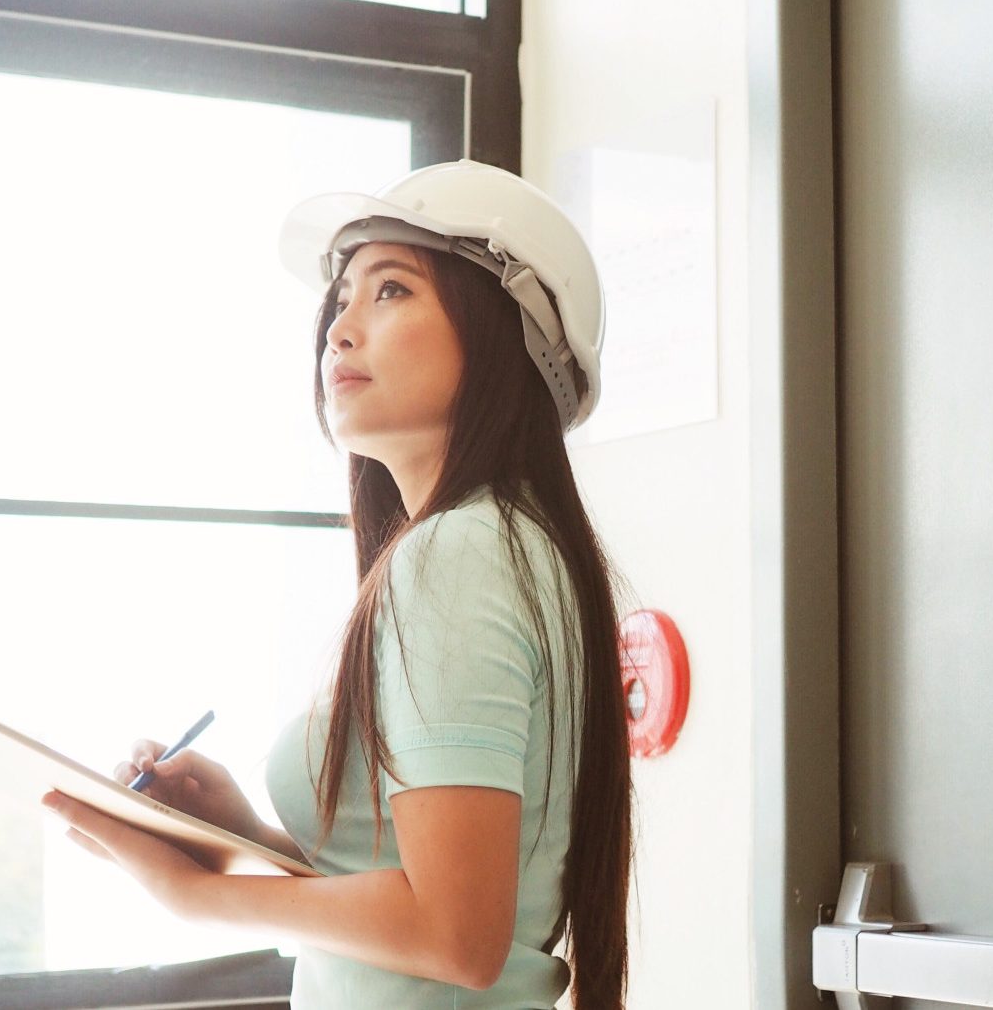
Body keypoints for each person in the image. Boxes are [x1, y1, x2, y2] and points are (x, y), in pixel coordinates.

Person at [41, 160, 634, 1009]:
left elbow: (457, 936)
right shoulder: (517, 547)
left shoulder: (457, 555)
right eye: (341, 298)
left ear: (503, 335)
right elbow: (432, 904)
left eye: (391, 291)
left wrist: (196, 896)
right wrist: (245, 837)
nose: (340, 328)